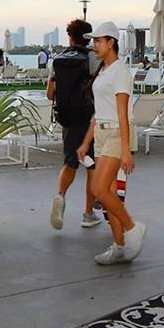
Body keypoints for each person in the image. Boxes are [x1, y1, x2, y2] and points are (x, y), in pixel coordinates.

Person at [76, 21, 147, 265]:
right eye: (94, 41)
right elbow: (99, 113)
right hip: (102, 135)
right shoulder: (104, 71)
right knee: (110, 193)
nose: (94, 45)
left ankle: (132, 228)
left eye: (98, 41)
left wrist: (126, 150)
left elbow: (122, 113)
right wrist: (86, 142)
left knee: (99, 190)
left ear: (111, 42)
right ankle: (119, 246)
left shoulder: (120, 72)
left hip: (117, 134)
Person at [46, 17, 101, 232]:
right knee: (92, 165)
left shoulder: (58, 59)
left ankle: (60, 196)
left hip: (68, 118)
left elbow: (50, 94)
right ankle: (88, 213)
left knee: (70, 162)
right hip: (89, 118)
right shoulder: (93, 58)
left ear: (70, 37)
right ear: (88, 38)